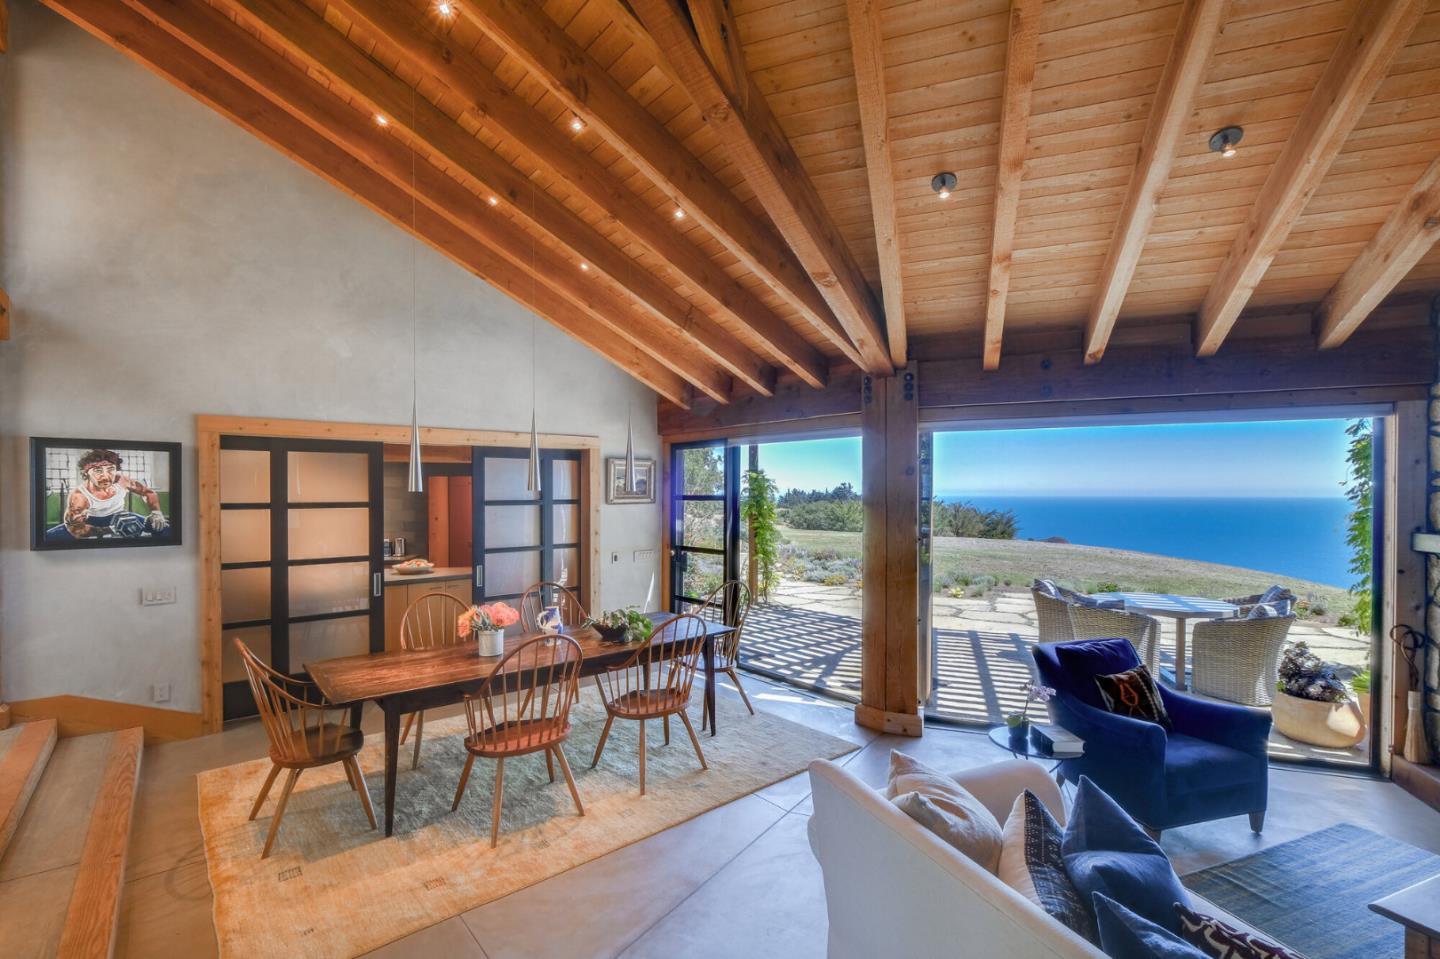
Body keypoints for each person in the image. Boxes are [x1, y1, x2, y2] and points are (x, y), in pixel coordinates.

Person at [45, 449, 170, 541]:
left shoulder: (121, 481)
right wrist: (109, 531)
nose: (105, 476)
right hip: (90, 522)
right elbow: (76, 529)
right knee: (48, 538)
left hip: (121, 517)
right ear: (86, 473)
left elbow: (148, 493)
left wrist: (156, 513)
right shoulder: (79, 496)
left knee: (166, 530)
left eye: (110, 469)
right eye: (98, 471)